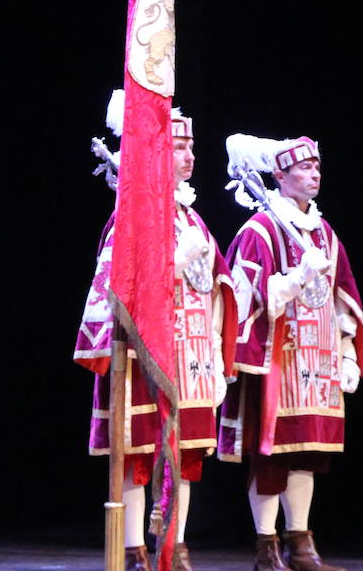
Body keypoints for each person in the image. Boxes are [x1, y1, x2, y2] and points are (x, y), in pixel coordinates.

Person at [73, 92, 234, 571]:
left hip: (190, 358)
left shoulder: (194, 219)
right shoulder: (132, 218)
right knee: (139, 456)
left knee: (184, 455)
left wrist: (218, 361)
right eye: (179, 149)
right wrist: (169, 267)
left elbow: (217, 290)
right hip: (145, 358)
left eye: (190, 149)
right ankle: (134, 550)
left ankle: (175, 546)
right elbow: (112, 288)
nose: (190, 157)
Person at [219, 134, 363, 571]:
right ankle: (267, 548)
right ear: (279, 177)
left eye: (317, 167)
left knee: (307, 451)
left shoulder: (324, 233)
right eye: (304, 168)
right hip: (276, 359)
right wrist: (297, 276)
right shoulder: (260, 231)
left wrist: (347, 354)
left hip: (316, 361)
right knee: (273, 454)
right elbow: (245, 297)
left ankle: (301, 544)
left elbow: (342, 296)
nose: (314, 174)